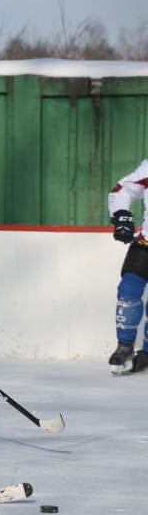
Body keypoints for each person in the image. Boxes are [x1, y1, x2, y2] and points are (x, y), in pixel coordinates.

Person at [107, 158, 148, 374]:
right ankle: (125, 346)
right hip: (145, 243)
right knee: (127, 291)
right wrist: (121, 214)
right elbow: (122, 190)